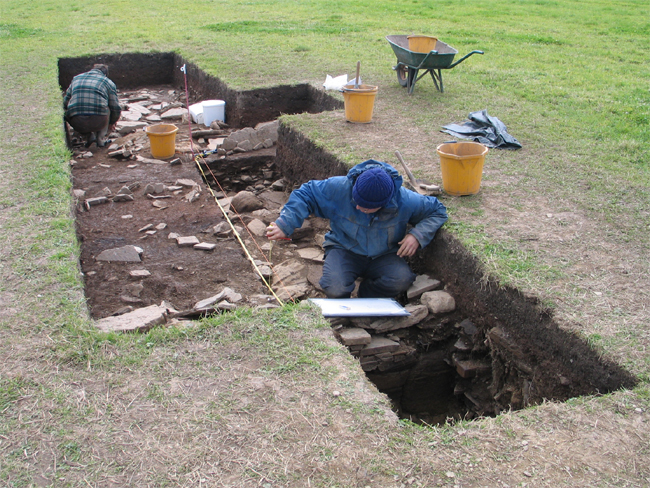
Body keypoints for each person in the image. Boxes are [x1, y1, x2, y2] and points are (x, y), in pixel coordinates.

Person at [266, 159, 448, 299]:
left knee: (401, 280)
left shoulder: (406, 200)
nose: (359, 208)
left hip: (383, 255)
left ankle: (366, 297)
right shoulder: (341, 187)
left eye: (366, 207)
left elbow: (438, 211)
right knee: (335, 288)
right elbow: (305, 193)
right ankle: (343, 311)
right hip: (344, 249)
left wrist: (417, 235)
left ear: (383, 204)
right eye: (356, 202)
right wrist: (285, 224)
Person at [63, 64, 121, 148]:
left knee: (67, 112)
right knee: (107, 107)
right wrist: (112, 122)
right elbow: (115, 107)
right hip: (98, 121)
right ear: (105, 74)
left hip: (77, 123)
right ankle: (100, 139)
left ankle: (88, 135)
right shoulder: (107, 81)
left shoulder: (76, 78)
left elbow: (65, 102)